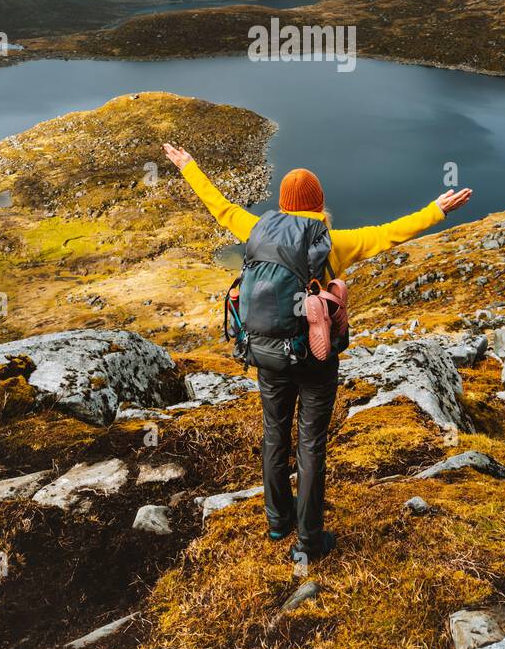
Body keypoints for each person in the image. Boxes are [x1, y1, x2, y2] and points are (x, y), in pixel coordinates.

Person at [163, 143, 472, 562]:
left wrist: (189, 166)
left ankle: (278, 522)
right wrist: (437, 209)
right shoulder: (333, 242)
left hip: (266, 354)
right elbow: (390, 232)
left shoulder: (255, 229)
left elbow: (219, 205)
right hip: (314, 358)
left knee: (275, 436)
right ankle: (308, 541)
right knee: (310, 445)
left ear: (284, 204)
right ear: (320, 203)